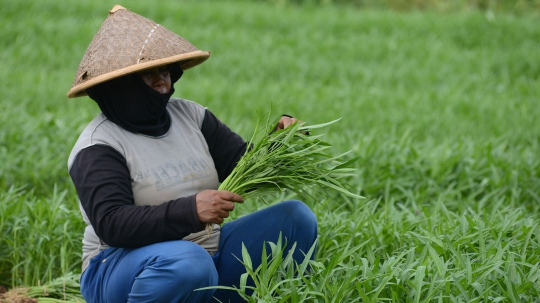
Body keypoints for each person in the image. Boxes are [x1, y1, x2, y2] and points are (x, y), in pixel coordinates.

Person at [66, 5, 317, 303]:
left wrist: (280, 142)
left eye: (165, 71)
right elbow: (113, 223)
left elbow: (243, 165)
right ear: (119, 87)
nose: (162, 83)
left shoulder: (191, 116)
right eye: (147, 76)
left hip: (205, 254)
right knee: (188, 262)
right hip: (119, 267)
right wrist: (191, 211)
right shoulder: (99, 146)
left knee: (295, 218)